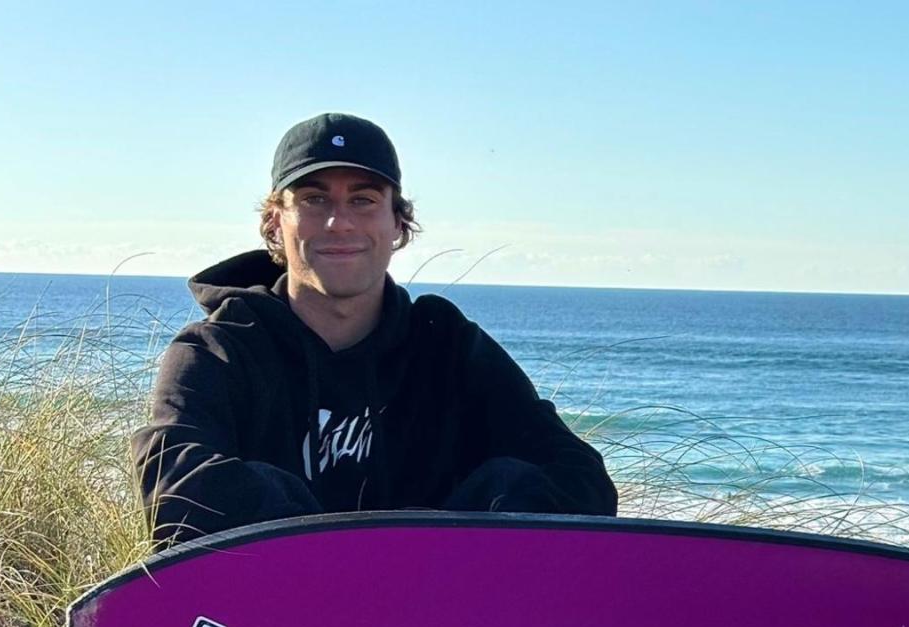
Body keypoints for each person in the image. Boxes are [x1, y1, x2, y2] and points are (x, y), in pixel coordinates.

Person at [131, 113, 616, 545]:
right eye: (314, 200)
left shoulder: (446, 345)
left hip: (438, 615)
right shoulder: (218, 350)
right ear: (276, 223)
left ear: (398, 223)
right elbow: (174, 491)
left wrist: (442, 533)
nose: (340, 222)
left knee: (510, 480)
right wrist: (333, 547)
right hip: (273, 626)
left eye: (363, 199)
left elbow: (582, 481)